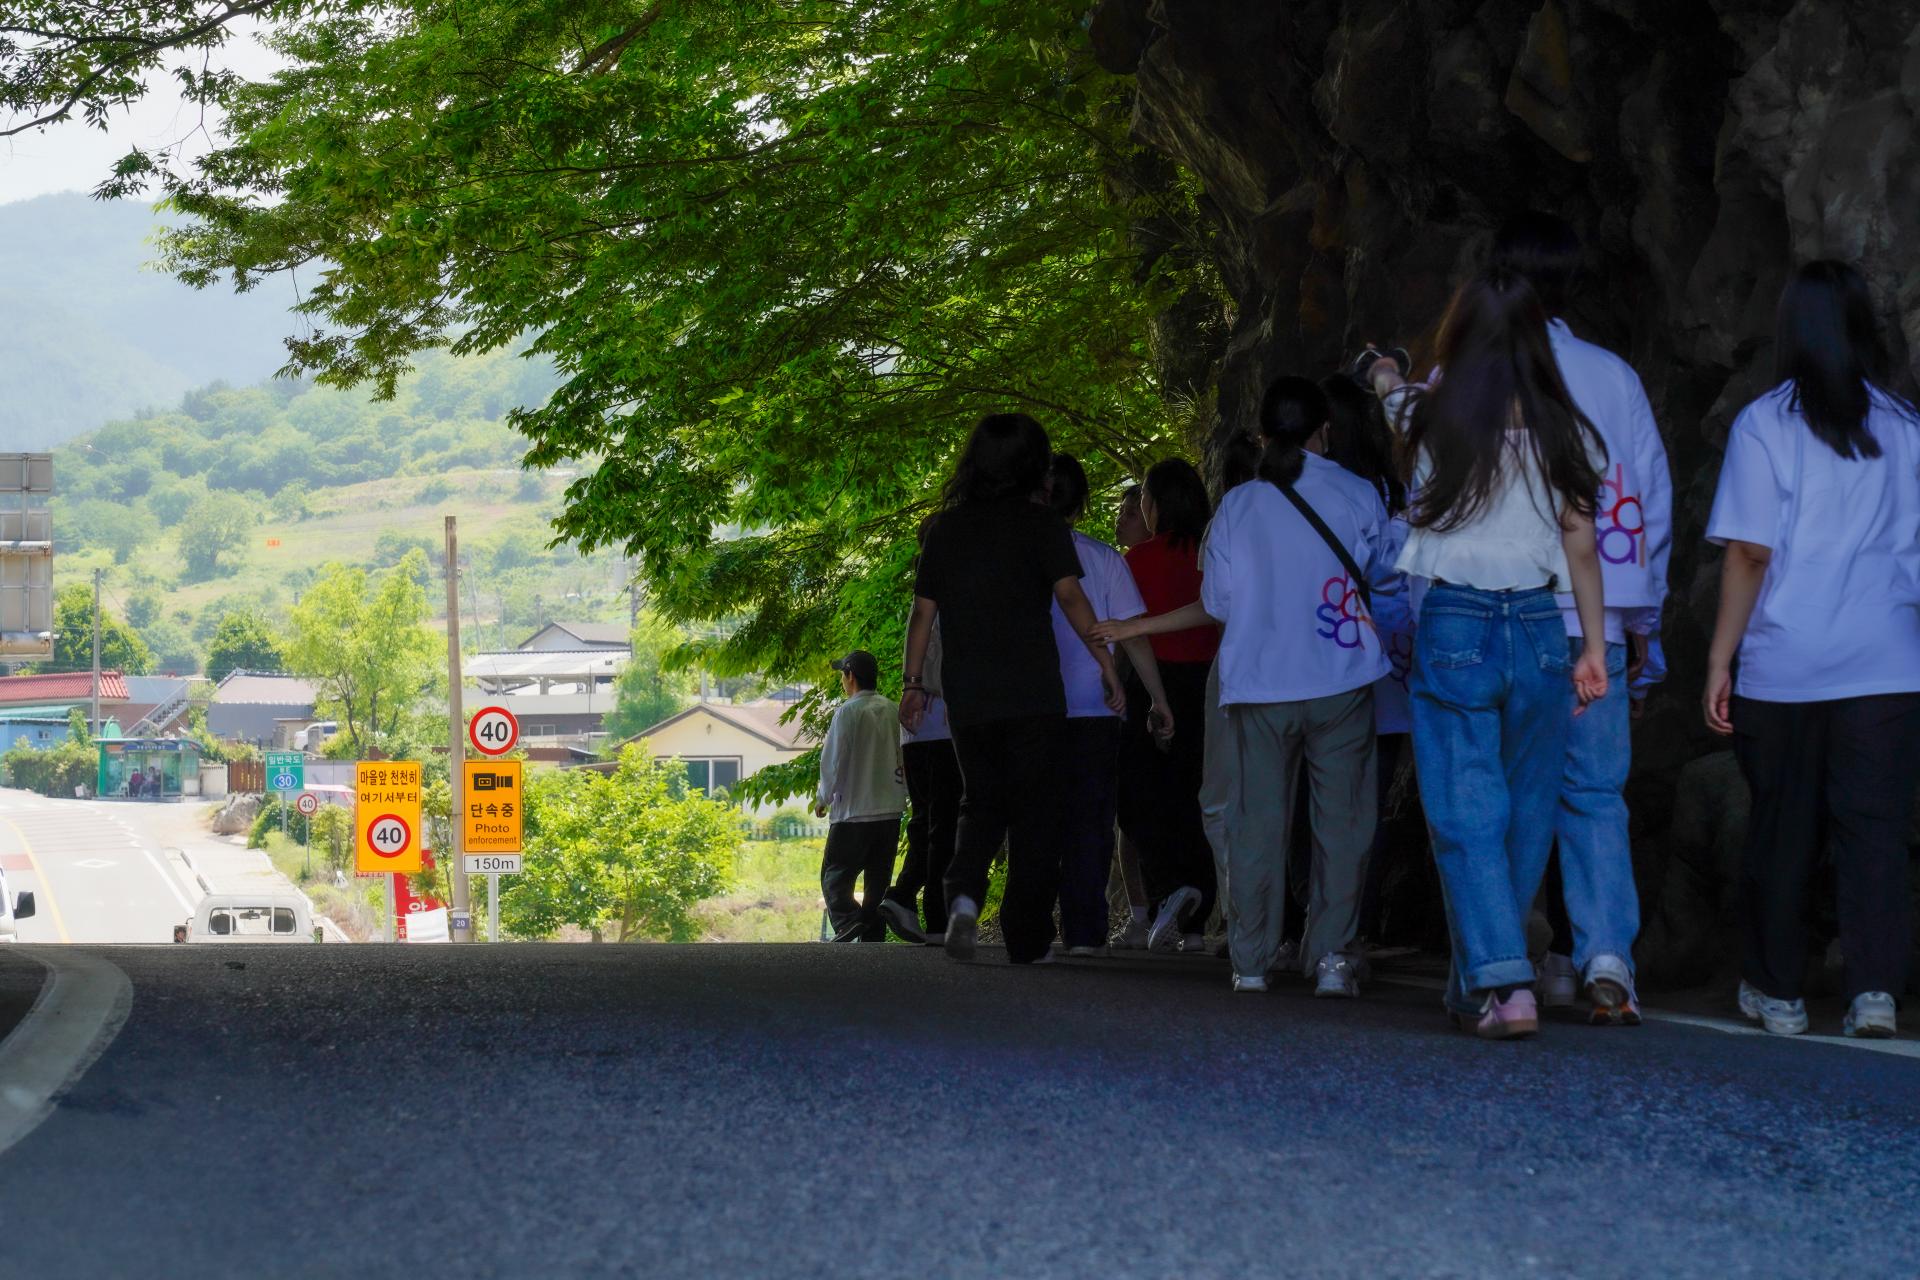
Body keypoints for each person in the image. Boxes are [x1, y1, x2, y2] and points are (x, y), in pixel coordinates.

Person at [1387, 271, 1610, 1040]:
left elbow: (1390, 394)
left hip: (1457, 622)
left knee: (1465, 813)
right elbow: (1582, 544)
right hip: (1542, 626)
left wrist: (1381, 373)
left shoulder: (1428, 416)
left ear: (1457, 339)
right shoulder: (1565, 431)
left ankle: (1505, 984)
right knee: (1525, 813)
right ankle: (1480, 988)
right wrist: (1593, 646)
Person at [1704, 259, 1920, 1040]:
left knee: (1783, 828)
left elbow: (1749, 553)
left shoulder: (1765, 423)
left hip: (1787, 664)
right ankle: (1875, 993)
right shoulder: (1906, 426)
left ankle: (1779, 991)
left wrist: (1720, 658)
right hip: (1887, 666)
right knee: (1875, 834)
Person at [1487, 211, 1673, 1027]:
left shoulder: (1471, 372)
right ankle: (1606, 958)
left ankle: (1509, 957)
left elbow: (1430, 500)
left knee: (1503, 790)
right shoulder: (1612, 376)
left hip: (1498, 613)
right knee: (1594, 790)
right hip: (1595, 610)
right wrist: (1643, 621)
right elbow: (1647, 501)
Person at [901, 413, 1124, 964]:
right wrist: (1106, 663)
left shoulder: (946, 530)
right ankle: (1026, 938)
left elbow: (922, 615)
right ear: (1033, 465)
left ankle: (963, 895)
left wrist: (912, 684)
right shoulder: (1041, 524)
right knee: (1035, 811)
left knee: (980, 800)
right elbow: (1071, 599)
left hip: (969, 693)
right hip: (1033, 691)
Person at [1199, 377, 1397, 995]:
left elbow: (1218, 602)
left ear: (1263, 435)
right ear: (1324, 431)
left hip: (1259, 685)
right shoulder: (1358, 491)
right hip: (1341, 677)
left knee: (1256, 823)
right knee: (1342, 822)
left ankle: (1251, 962)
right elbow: (1385, 574)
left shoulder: (1237, 506)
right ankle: (1332, 958)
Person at [1045, 455, 1173, 955]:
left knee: (1035, 815)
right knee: (1091, 821)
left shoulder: (1006, 558)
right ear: (1081, 504)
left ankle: (1031, 924)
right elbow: (1134, 636)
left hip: (1028, 706)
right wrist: (1159, 698)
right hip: (1096, 707)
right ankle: (1083, 931)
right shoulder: (1103, 559)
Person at [1118, 458, 1220, 953]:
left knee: (1137, 795)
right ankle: (1197, 923)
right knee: (1198, 795)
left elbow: (1127, 633)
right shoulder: (1212, 554)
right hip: (1210, 681)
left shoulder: (1135, 560)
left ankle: (1169, 887)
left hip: (1151, 680)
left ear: (1156, 504)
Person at [815, 650, 907, 942]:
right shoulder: (893, 710)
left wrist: (823, 797)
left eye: (842, 675)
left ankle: (847, 921)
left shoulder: (847, 712)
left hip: (853, 812)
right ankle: (872, 938)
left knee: (835, 877)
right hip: (890, 811)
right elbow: (905, 756)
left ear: (850, 676)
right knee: (877, 884)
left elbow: (833, 761)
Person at [879, 611, 959, 946]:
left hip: (914, 731)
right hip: (947, 728)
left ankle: (907, 897)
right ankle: (933, 913)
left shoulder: (921, 615)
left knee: (926, 820)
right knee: (946, 824)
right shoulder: (955, 607)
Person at [1108, 482, 1157, 947]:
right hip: (1144, 688)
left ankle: (1146, 913)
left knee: (1135, 806)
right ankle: (1144, 911)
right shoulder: (1120, 564)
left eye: (1131, 513)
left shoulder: (1133, 565)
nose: (1121, 520)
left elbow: (1126, 637)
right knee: (1134, 808)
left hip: (1142, 689)